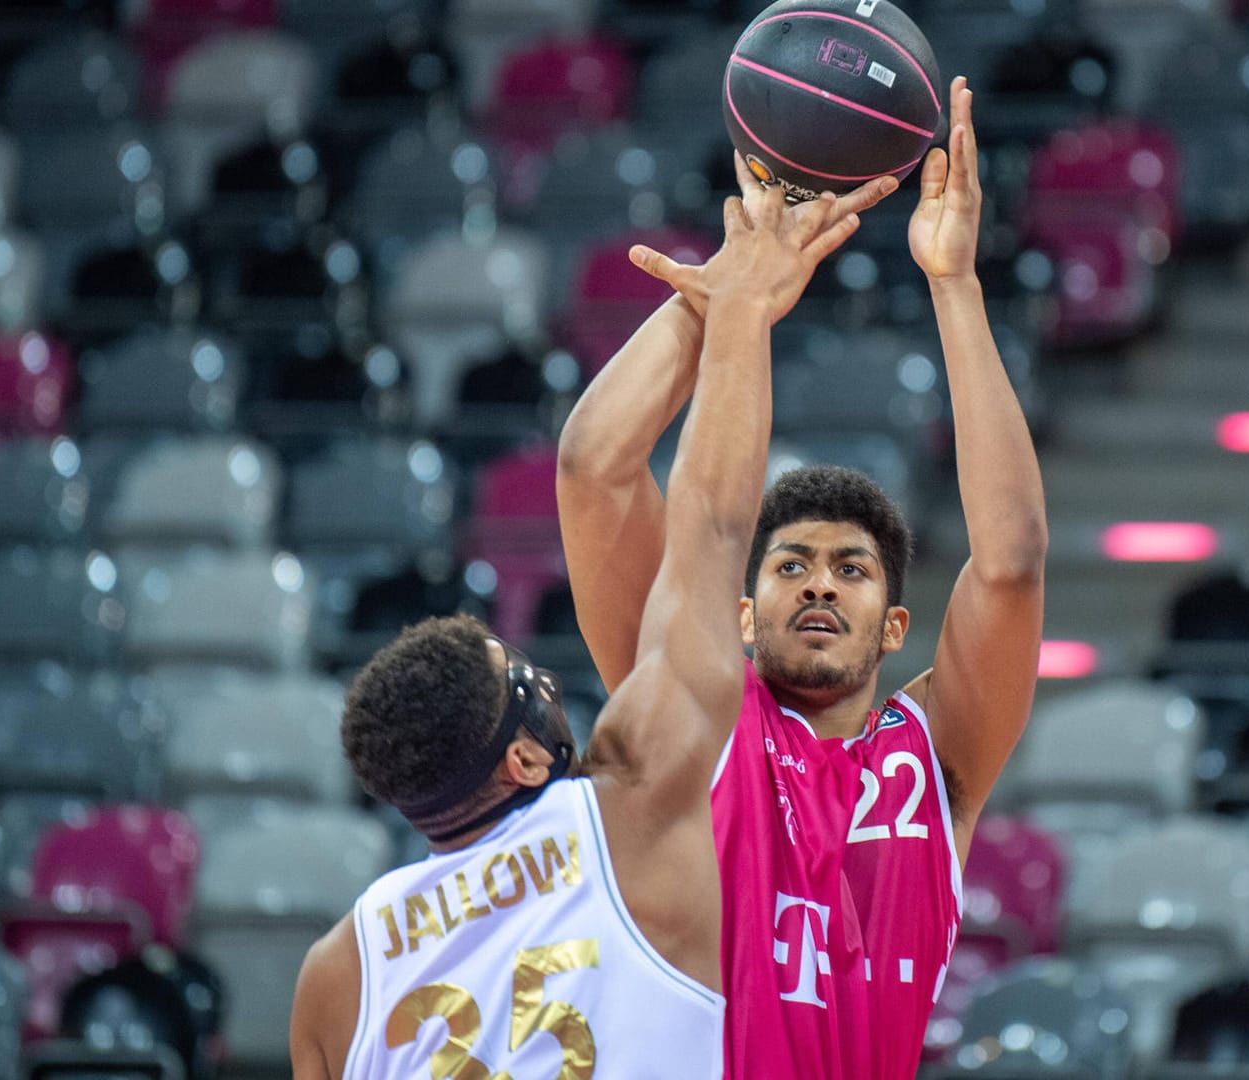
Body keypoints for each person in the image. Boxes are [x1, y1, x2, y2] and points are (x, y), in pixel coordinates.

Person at [287, 164, 894, 1080]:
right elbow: (708, 528)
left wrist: (726, 284)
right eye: (524, 682)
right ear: (524, 757)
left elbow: (593, 471)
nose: (548, 683)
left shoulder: (338, 970)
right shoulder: (633, 811)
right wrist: (736, 305)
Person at [556, 77, 1048, 1079]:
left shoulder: (933, 761)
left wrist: (954, 284)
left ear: (896, 624)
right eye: (791, 565)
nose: (820, 585)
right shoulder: (694, 717)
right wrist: (725, 298)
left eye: (852, 569)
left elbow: (1011, 561)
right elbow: (594, 469)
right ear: (741, 612)